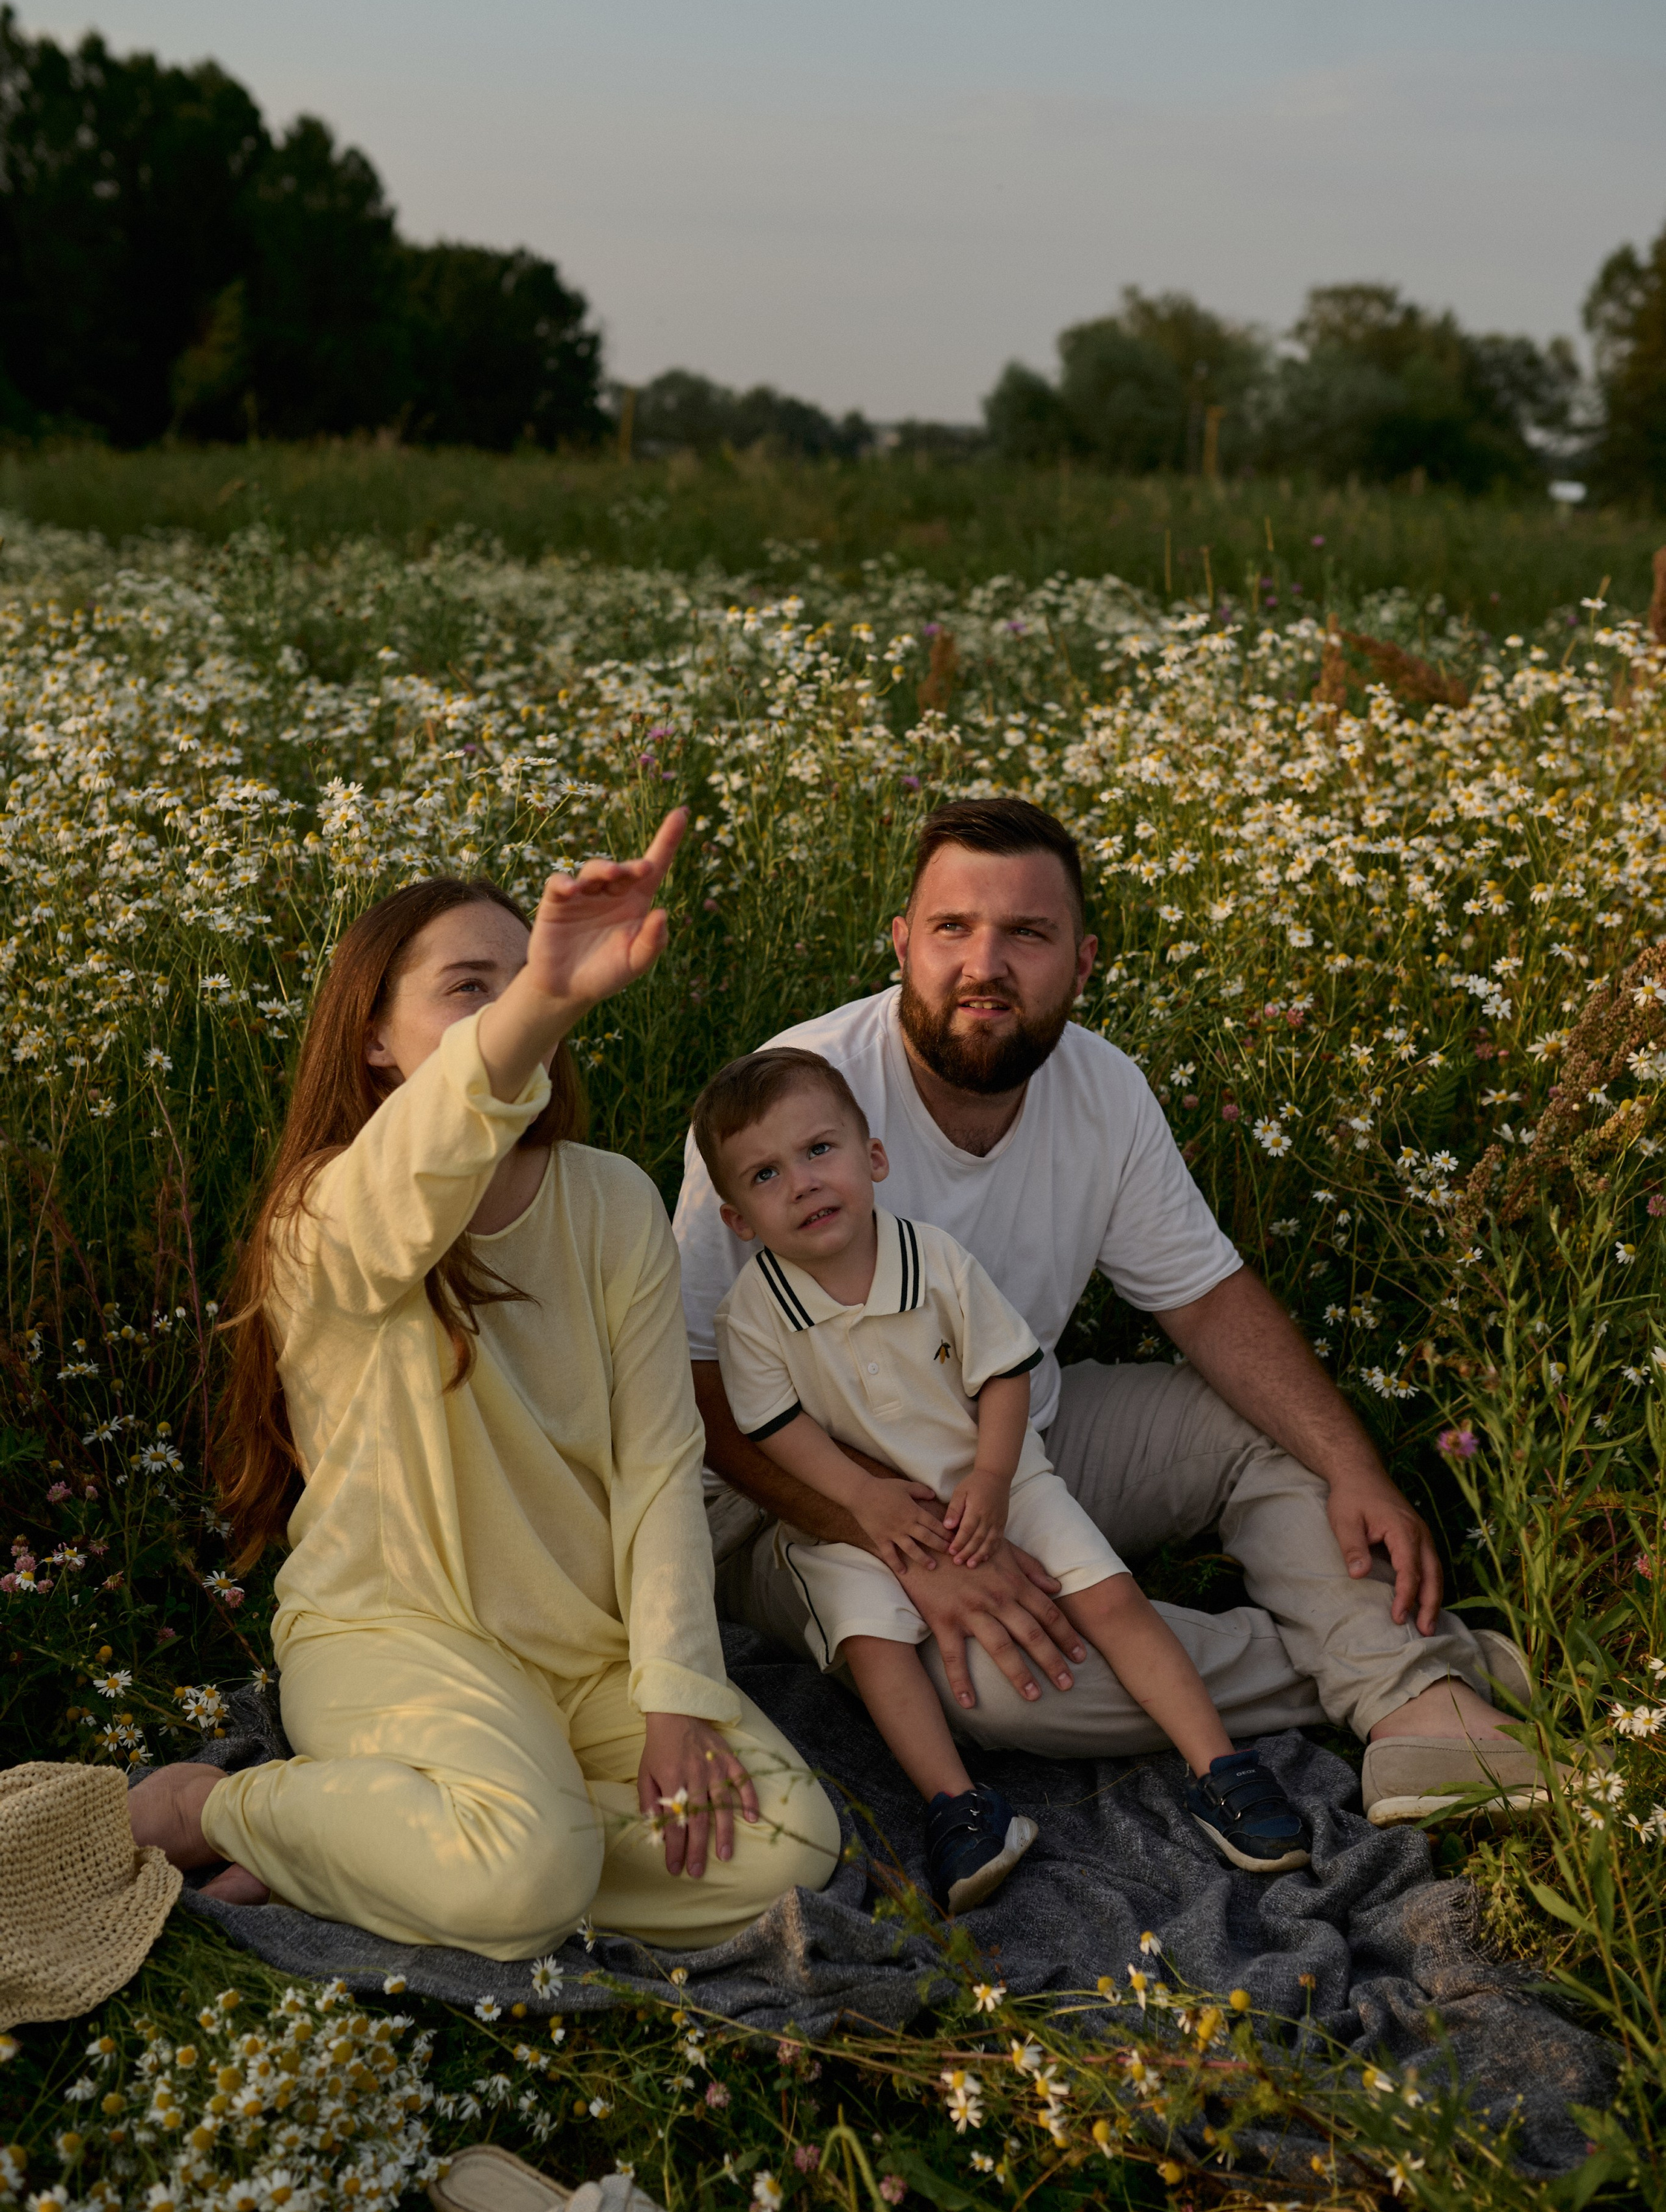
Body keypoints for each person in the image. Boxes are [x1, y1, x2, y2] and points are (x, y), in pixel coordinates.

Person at [676, 797, 1546, 1827]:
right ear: (904, 944)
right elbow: (699, 1391)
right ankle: (1409, 1666)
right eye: (953, 928)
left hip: (1017, 1437)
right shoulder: (788, 1105)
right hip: (807, 1501)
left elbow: (1210, 1302)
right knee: (986, 1674)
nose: (984, 964)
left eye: (1027, 934)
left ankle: (1415, 1707)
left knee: (1259, 1428)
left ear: (1082, 963)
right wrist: (893, 1539)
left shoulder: (1104, 1088)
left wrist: (1353, 1464)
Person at [130, 814, 840, 1958]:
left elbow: (660, 1462)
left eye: (528, 982)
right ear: (373, 1041)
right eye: (474, 987)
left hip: (587, 1650)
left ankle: (385, 1838)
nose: (516, 1007)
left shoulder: (610, 1201)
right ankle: (213, 1806)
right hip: (394, 1637)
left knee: (789, 1841)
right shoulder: (325, 1214)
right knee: (526, 1875)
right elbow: (417, 1169)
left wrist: (674, 1694)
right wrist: (546, 1000)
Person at [694, 1046, 1311, 1909]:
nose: (802, 1182)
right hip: (866, 1514)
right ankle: (960, 1804)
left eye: (820, 1151)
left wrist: (990, 1477)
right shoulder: (755, 1314)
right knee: (871, 1640)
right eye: (767, 1173)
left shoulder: (934, 1260)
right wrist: (865, 1499)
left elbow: (1004, 1372)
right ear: (739, 1219)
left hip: (998, 1475)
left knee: (1107, 1596)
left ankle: (1220, 1766)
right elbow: (778, 1428)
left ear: (873, 1159)